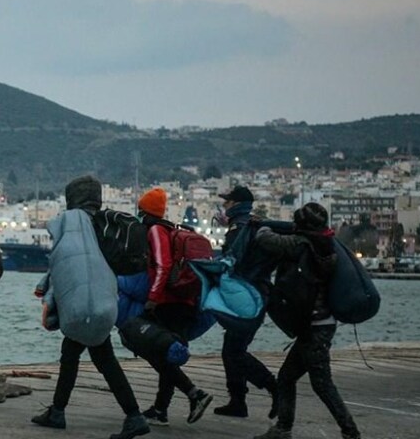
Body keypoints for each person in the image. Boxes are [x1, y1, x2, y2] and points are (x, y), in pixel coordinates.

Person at [32, 175, 150, 439]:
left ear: (72, 198)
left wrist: (49, 299)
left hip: (82, 305)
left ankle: (133, 416)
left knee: (91, 358)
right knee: (86, 356)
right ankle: (59, 411)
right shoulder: (104, 225)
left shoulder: (74, 224)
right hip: (102, 301)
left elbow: (63, 265)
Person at [252, 202, 360, 439]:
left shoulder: (301, 244)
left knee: (322, 384)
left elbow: (265, 239)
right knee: (287, 377)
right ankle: (283, 428)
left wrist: (264, 224)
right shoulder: (326, 245)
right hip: (321, 324)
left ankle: (350, 431)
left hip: (314, 327)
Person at [135, 187, 213, 426]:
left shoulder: (156, 231)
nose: (139, 216)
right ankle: (161, 408)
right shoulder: (168, 229)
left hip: (171, 303)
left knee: (159, 353)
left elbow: (163, 265)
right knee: (166, 354)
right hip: (183, 302)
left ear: (147, 212)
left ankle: (195, 394)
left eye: (140, 211)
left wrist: (153, 298)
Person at [214, 185, 277, 417]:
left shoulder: (238, 230)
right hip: (257, 294)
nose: (224, 206)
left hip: (246, 298)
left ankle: (273, 387)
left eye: (227, 202)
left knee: (234, 351)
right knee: (232, 348)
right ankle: (238, 401)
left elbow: (233, 263)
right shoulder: (254, 225)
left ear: (237, 204)